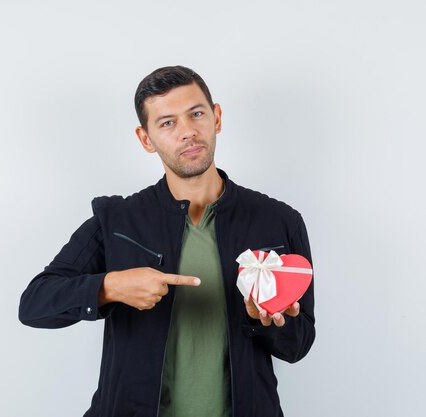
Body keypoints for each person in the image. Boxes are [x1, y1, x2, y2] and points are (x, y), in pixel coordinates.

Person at [18, 65, 315, 417]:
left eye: (196, 114)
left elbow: (299, 345)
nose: (187, 132)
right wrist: (110, 287)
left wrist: (263, 319)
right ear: (146, 139)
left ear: (216, 117)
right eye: (168, 123)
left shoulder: (279, 221)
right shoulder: (115, 220)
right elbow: (34, 305)